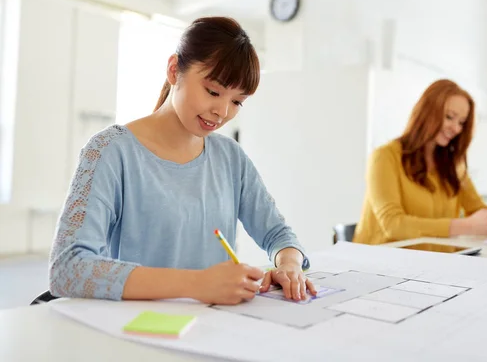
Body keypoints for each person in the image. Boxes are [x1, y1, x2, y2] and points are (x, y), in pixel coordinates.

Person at [49, 17, 316, 305]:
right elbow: (69, 268)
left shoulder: (230, 157)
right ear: (174, 70)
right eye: (213, 92)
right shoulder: (111, 151)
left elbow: (278, 233)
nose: (222, 112)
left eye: (237, 101)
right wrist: (196, 284)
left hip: (215, 327)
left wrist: (288, 263)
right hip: (139, 330)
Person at [353, 79, 487, 245]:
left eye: (461, 122)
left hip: (435, 262)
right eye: (449, 117)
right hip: (383, 262)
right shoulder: (384, 157)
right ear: (427, 111)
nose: (456, 129)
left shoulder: (453, 166)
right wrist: (467, 226)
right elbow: (393, 225)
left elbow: (477, 209)